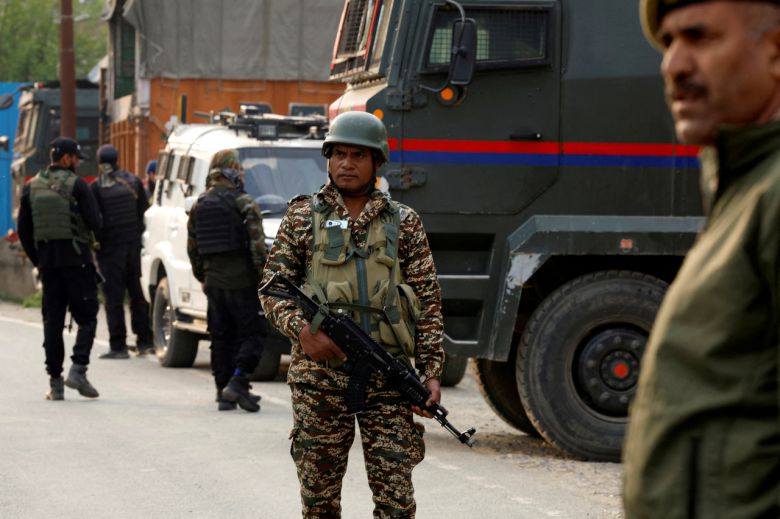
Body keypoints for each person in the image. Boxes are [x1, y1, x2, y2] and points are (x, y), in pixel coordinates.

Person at [624, 1, 780, 517]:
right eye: (668, 43)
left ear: (775, 51)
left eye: (699, 37)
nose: (673, 65)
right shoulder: (746, 189)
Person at [259, 111, 445, 518]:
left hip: (387, 375)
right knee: (319, 502)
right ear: (328, 159)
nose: (346, 163)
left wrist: (430, 372)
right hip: (319, 377)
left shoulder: (404, 222)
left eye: (358, 155)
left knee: (396, 503)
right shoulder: (302, 217)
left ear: (376, 162)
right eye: (338, 154)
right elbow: (272, 291)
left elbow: (428, 302)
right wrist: (302, 332)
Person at [17, 137, 102, 400]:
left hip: (49, 267)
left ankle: (55, 384)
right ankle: (78, 369)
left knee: (52, 324)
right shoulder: (78, 185)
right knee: (87, 318)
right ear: (66, 158)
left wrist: (39, 260)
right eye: (76, 158)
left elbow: (23, 231)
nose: (78, 163)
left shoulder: (30, 187)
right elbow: (96, 222)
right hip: (78, 264)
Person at [187, 149, 268, 412]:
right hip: (242, 282)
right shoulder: (244, 203)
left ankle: (224, 391)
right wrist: (264, 279)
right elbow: (258, 249)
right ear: (231, 170)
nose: (242, 174)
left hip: (213, 283)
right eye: (239, 168)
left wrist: (203, 276)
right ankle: (238, 381)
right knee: (254, 333)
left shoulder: (199, 204)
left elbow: (193, 248)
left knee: (221, 336)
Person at [90, 144, 154, 359]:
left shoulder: (96, 187)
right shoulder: (133, 181)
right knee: (138, 295)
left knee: (114, 299)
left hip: (110, 251)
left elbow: (94, 220)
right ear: (117, 160)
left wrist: (97, 245)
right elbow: (144, 213)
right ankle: (144, 341)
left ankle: (118, 346)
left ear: (100, 162)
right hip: (135, 248)